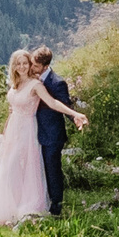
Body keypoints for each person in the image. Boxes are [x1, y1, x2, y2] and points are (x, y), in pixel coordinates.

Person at [0, 49, 87, 226]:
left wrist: (75, 114)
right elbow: (12, 111)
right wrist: (5, 132)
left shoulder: (36, 85)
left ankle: (30, 206)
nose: (22, 67)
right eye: (18, 64)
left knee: (28, 167)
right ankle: (11, 207)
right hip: (13, 131)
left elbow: (53, 102)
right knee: (10, 168)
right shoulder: (15, 84)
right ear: (14, 66)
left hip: (28, 130)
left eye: (25, 63)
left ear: (30, 65)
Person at [31, 45, 75, 215]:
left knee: (52, 169)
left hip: (52, 134)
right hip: (35, 131)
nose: (32, 68)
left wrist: (75, 118)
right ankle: (42, 201)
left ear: (45, 66)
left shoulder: (57, 82)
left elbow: (65, 105)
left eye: (35, 66)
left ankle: (56, 206)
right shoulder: (32, 79)